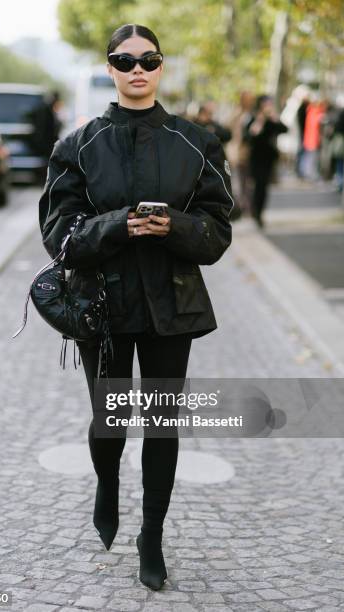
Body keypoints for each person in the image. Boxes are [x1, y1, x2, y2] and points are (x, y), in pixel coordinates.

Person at [38, 23, 233, 591]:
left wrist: (174, 225)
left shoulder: (197, 141)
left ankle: (152, 535)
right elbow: (59, 236)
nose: (138, 69)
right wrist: (119, 225)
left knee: (163, 425)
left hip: (173, 304)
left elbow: (218, 232)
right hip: (103, 304)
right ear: (110, 68)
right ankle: (106, 481)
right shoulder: (78, 145)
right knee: (111, 420)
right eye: (126, 61)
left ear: (161, 66)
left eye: (149, 59)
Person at [243, 94, 287, 228]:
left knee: (264, 186)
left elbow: (284, 129)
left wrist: (274, 118)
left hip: (268, 158)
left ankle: (259, 212)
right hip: (256, 157)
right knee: (257, 185)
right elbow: (249, 137)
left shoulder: (272, 119)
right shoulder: (253, 117)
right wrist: (260, 121)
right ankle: (255, 212)